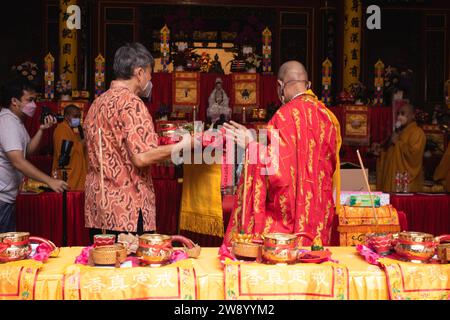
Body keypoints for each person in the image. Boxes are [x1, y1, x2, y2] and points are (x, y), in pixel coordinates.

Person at [223, 61, 341, 246]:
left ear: (280, 86)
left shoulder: (283, 116)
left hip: (289, 226)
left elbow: (279, 172)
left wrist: (250, 144)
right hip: (318, 216)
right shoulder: (328, 117)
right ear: (308, 85)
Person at [83, 43, 193, 239]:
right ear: (139, 73)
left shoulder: (97, 103)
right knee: (131, 268)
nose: (150, 80)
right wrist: (183, 146)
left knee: (103, 266)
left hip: (98, 206)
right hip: (129, 209)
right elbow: (141, 158)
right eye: (150, 74)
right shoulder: (132, 103)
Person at [0, 78, 68, 232]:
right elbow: (18, 161)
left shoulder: (16, 121)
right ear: (14, 101)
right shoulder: (7, 122)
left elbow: (28, 150)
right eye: (29, 100)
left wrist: (42, 129)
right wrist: (49, 181)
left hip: (7, 197)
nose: (33, 105)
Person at [376, 104, 426, 192]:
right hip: (391, 176)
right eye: (398, 114)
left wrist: (398, 143)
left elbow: (414, 155)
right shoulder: (399, 132)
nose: (399, 117)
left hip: (405, 183)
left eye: (403, 114)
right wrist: (381, 151)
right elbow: (390, 152)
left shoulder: (417, 132)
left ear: (413, 116)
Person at [51, 104, 87, 190]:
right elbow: (63, 152)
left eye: (79, 116)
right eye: (75, 116)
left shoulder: (71, 131)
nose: (77, 119)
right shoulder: (61, 129)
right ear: (66, 116)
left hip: (75, 172)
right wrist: (82, 143)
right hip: (67, 174)